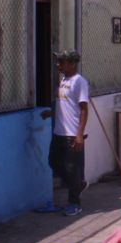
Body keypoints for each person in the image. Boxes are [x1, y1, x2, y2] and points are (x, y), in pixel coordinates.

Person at [42, 50, 90, 217]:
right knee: (53, 162)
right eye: (58, 62)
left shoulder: (79, 82)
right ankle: (78, 184)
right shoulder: (63, 81)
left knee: (72, 168)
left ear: (71, 64)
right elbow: (63, 103)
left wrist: (79, 134)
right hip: (59, 132)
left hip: (71, 133)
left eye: (62, 62)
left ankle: (74, 203)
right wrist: (51, 112)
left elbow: (84, 109)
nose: (58, 65)